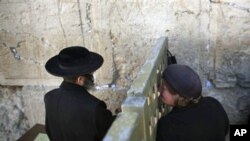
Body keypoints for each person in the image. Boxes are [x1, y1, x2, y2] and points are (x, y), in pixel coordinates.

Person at [44, 46, 115, 141]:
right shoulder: (95, 108)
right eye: (91, 74)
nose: (92, 78)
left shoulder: (49, 97)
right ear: (80, 79)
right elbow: (112, 134)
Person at [156, 64, 229, 141]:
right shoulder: (214, 104)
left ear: (180, 96)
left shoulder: (168, 125)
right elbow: (225, 130)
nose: (158, 89)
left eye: (163, 88)